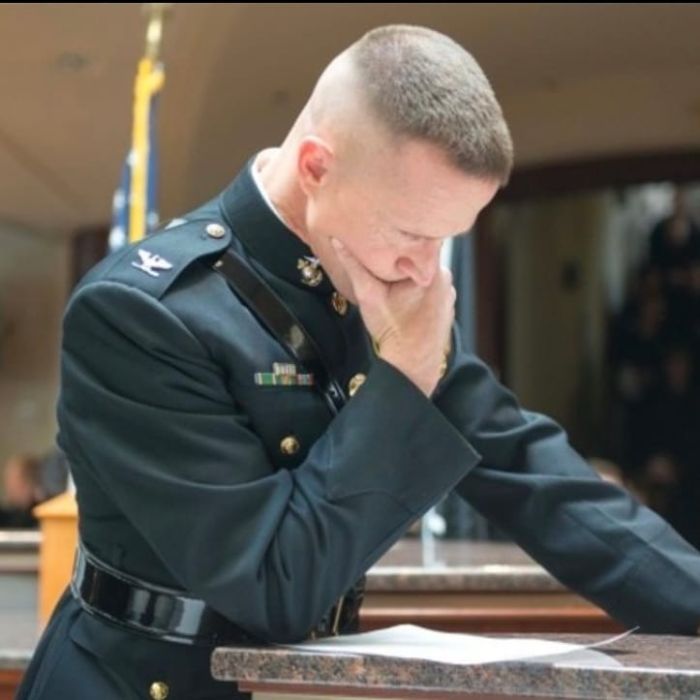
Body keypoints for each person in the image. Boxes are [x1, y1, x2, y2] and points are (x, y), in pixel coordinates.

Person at [18, 24, 700, 700]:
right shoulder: (143, 312)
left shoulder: (380, 283)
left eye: (447, 240)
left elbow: (536, 475)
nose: (427, 270)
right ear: (317, 166)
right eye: (412, 234)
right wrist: (401, 378)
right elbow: (272, 587)